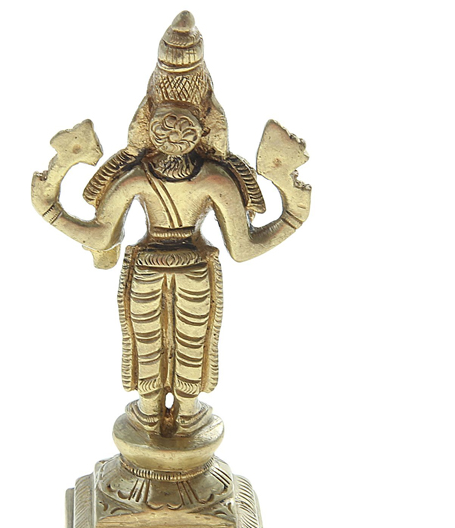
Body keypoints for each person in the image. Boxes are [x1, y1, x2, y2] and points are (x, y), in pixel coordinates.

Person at [31, 11, 310, 436]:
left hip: (191, 273)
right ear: (147, 121)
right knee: (146, 346)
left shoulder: (215, 180)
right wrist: (50, 208)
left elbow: (243, 247)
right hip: (149, 273)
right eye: (165, 121)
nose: (174, 133)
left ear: (206, 125)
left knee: (192, 346)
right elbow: (102, 235)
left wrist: (292, 214)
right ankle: (148, 414)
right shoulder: (136, 177)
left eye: (185, 123)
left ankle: (188, 415)